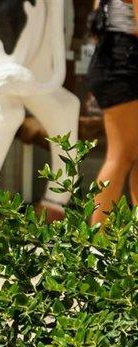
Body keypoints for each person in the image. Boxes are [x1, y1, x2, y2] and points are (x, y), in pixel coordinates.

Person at [88, 0, 138, 225]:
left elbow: (96, 29)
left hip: (112, 60)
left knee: (128, 155)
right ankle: (96, 238)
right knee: (121, 156)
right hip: (125, 65)